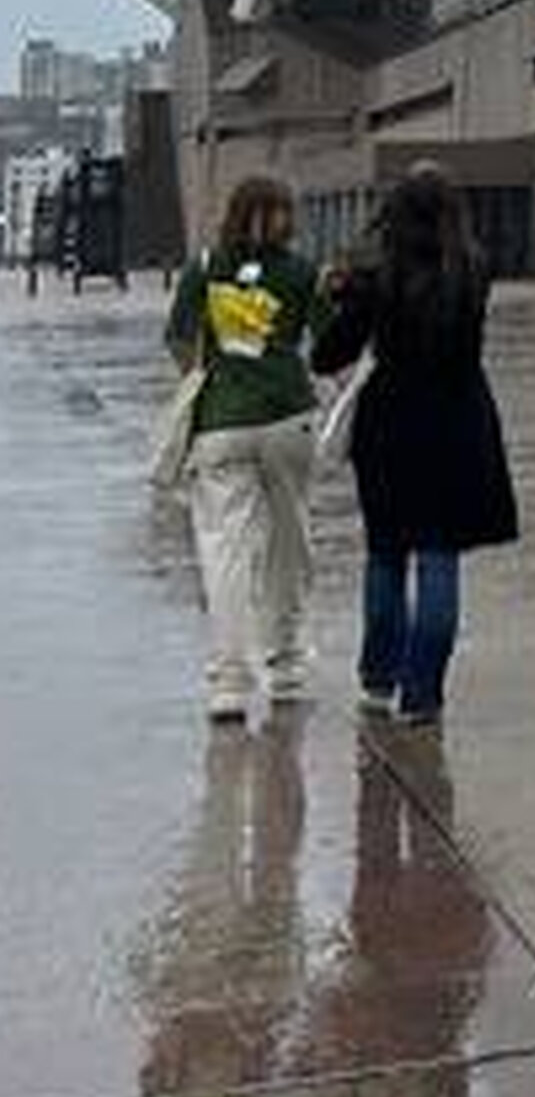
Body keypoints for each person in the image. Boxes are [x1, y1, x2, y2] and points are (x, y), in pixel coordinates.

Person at [312, 168, 519, 728]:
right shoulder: (474, 271)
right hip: (458, 421)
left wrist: (342, 297)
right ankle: (423, 694)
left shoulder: (377, 277)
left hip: (391, 425)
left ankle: (378, 679)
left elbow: (327, 354)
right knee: (439, 554)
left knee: (385, 552)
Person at [165, 175, 326, 722]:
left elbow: (180, 340)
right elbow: (325, 345)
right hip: (289, 418)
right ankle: (286, 667)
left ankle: (229, 683)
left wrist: (205, 379)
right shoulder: (302, 272)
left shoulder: (204, 267)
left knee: (225, 552)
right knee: (289, 545)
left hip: (222, 424)